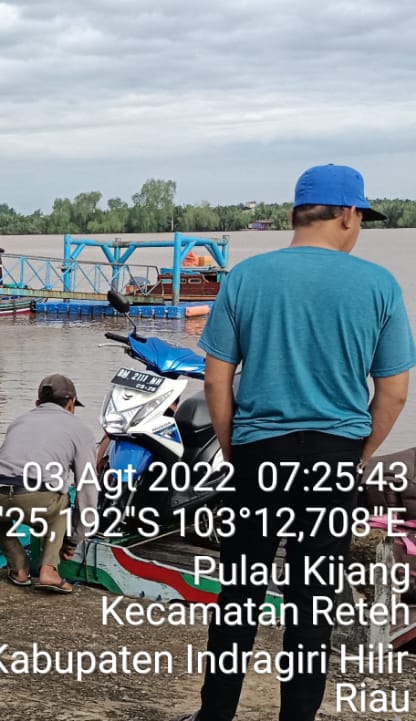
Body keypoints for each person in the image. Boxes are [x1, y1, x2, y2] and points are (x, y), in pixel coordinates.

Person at [176, 164, 415, 721]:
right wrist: (358, 454)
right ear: (351, 215)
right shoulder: (378, 284)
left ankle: (215, 715)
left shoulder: (247, 277)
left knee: (241, 594)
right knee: (312, 603)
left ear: (293, 216)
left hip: (260, 451)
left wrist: (236, 450)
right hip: (335, 455)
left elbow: (216, 379)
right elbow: (394, 393)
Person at [0, 374, 99, 593]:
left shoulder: (19, 420)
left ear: (37, 404)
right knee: (61, 503)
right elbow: (87, 487)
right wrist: (73, 539)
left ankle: (19, 567)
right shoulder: (80, 429)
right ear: (71, 404)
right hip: (35, 499)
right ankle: (49, 570)